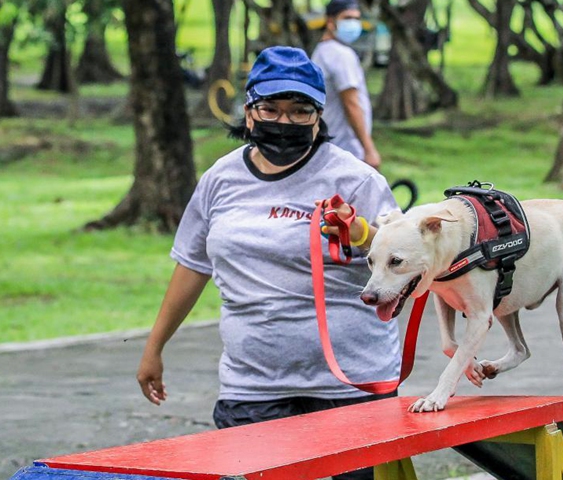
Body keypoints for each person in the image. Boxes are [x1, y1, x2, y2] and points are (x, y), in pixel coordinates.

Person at [136, 46, 400, 480]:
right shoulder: (220, 180)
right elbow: (192, 265)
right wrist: (154, 347)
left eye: (299, 111)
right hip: (253, 386)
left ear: (319, 115)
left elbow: (402, 263)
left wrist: (362, 235)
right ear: (248, 109)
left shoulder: (355, 179)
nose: (284, 121)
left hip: (350, 384)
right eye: (271, 109)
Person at [311, 0, 382, 170]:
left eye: (356, 18)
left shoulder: (322, 51)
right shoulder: (340, 55)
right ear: (330, 21)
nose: (353, 24)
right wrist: (369, 149)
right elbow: (351, 104)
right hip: (346, 148)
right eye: (347, 18)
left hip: (329, 147)